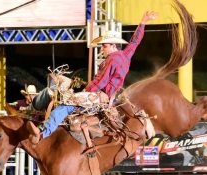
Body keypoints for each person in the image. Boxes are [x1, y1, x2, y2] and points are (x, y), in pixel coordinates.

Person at [27, 11, 158, 144]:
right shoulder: (125, 56)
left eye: (105, 46)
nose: (102, 49)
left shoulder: (113, 59)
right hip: (108, 98)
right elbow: (134, 42)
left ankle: (43, 131)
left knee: (65, 105)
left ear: (113, 45)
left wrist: (85, 92)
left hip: (98, 96)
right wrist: (143, 22)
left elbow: (102, 81)